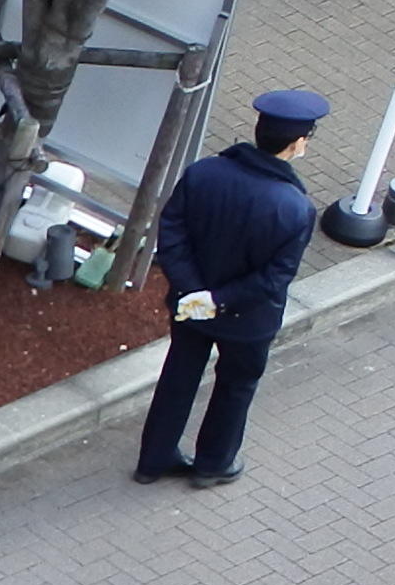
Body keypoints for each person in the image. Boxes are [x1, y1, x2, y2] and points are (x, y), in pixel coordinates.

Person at [136, 91, 326, 490]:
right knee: (235, 387)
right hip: (247, 320)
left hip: (189, 308)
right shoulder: (294, 208)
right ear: (298, 143)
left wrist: (194, 292)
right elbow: (275, 277)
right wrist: (219, 301)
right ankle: (214, 463)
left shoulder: (204, 172)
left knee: (178, 376)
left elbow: (172, 233)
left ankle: (153, 460)